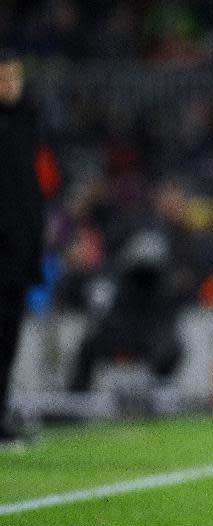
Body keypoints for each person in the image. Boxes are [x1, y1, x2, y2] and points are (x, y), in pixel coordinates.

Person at [0, 49, 53, 447]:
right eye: (5, 76)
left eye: (15, 76)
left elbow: (31, 193)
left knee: (7, 342)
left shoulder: (24, 123)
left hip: (17, 256)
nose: (11, 84)